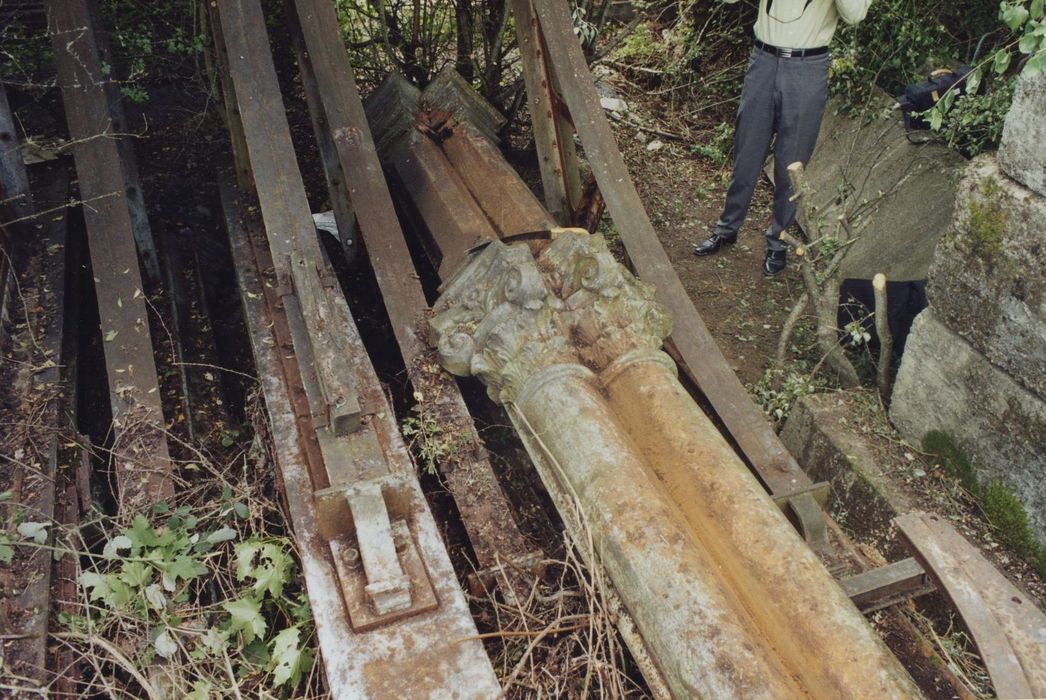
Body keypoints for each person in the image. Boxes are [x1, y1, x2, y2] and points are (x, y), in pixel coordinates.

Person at [694, 0, 872, 276]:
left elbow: (854, 15)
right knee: (747, 151)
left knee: (793, 162)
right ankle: (726, 228)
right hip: (763, 60)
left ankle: (778, 242)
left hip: (808, 66)